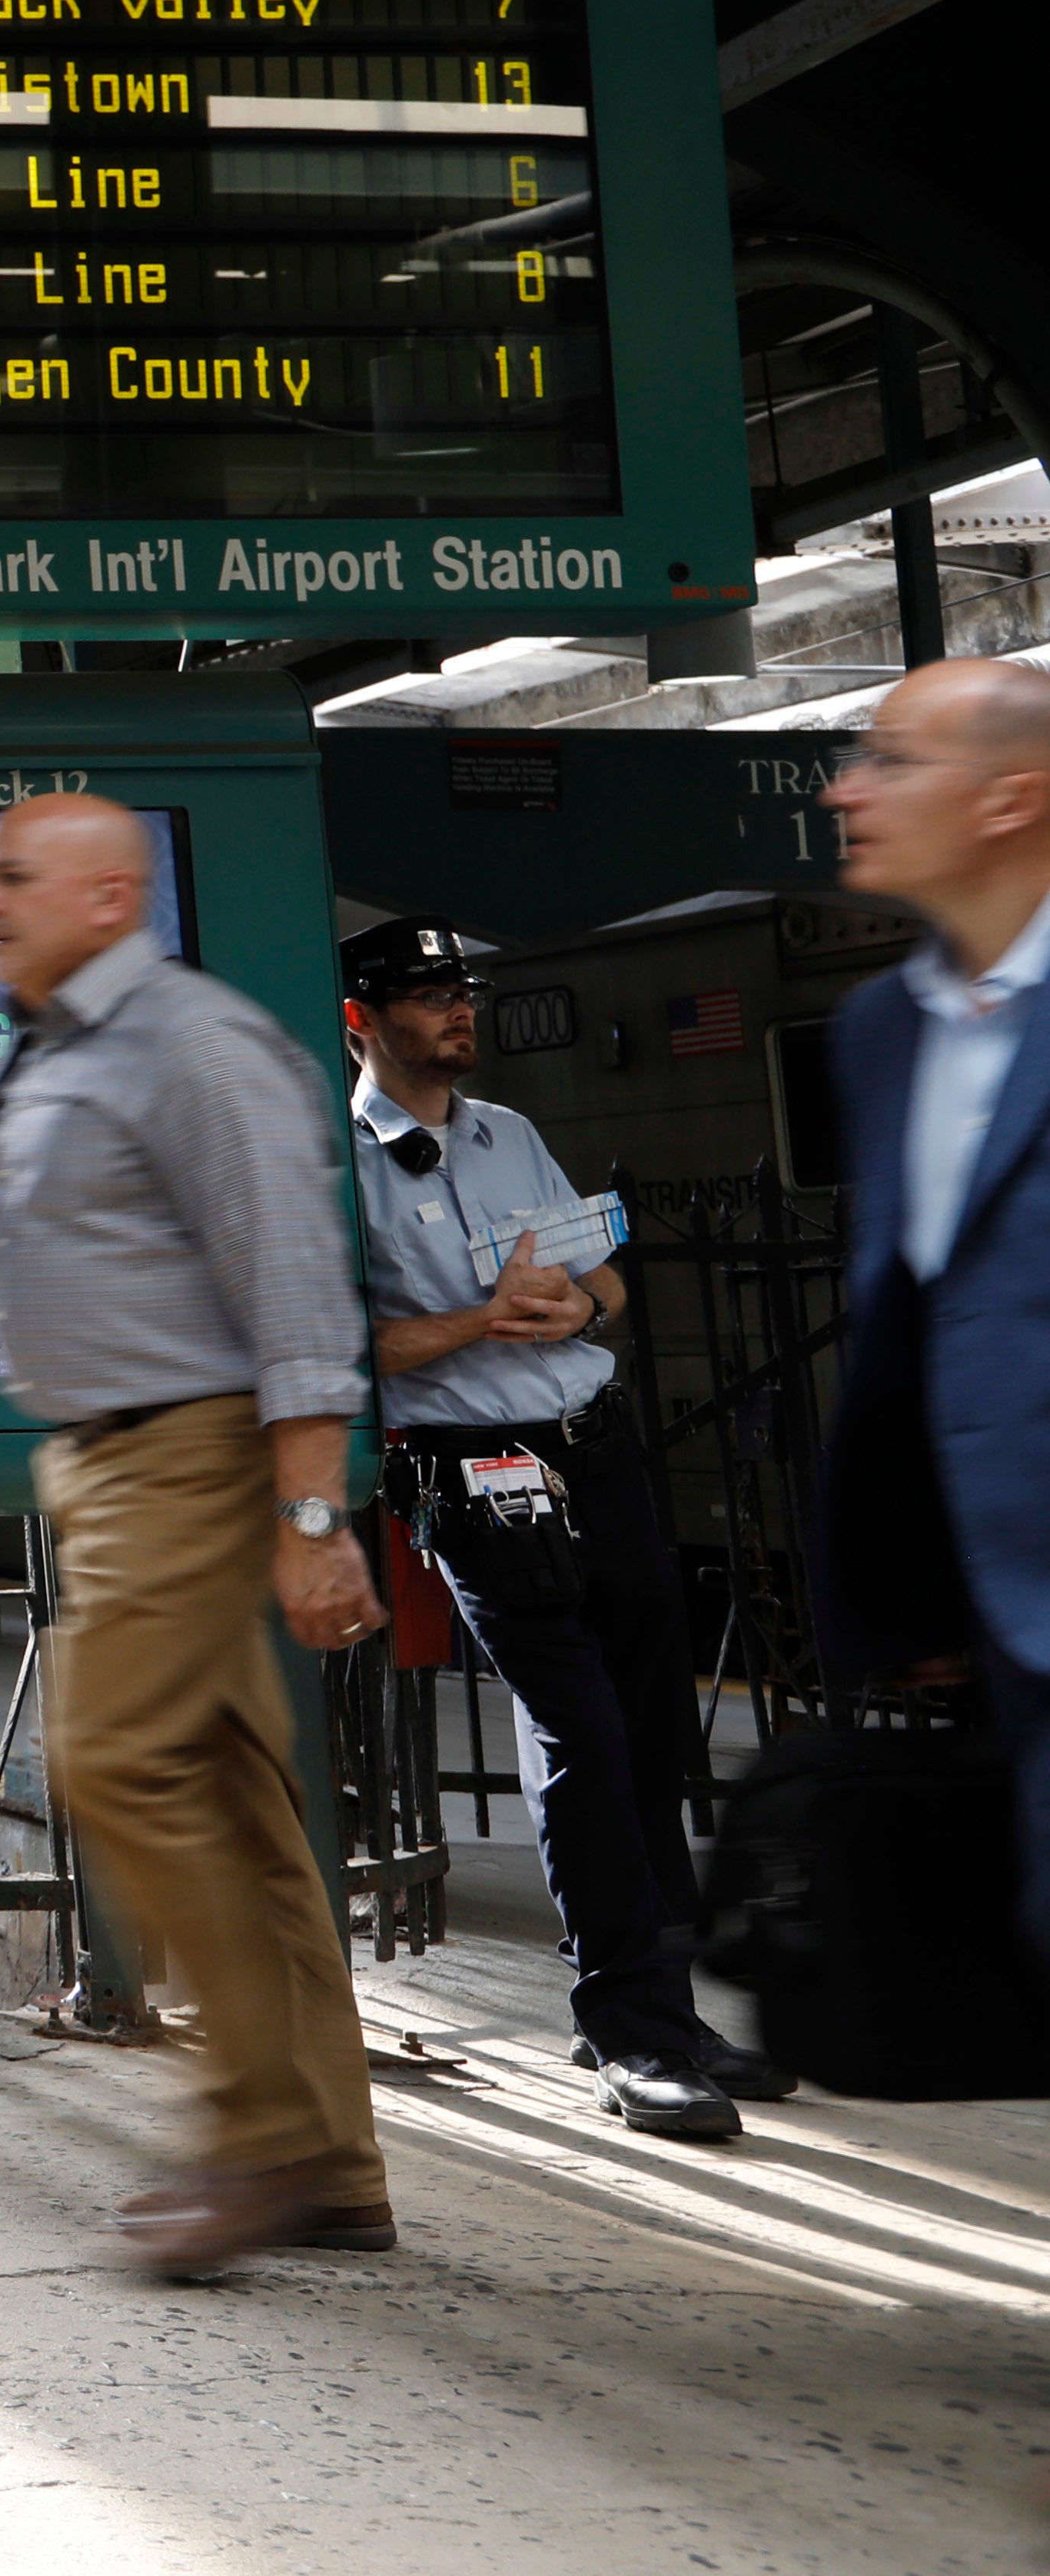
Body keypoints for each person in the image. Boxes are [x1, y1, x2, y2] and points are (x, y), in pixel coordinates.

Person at [0, 791, 389, 2276]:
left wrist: (313, 1517)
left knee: (113, 1758)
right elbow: (133, 1248)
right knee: (238, 1815)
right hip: (114, 1464)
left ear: (112, 896)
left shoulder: (191, 1042)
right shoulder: (63, 1047)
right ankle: (335, 2159)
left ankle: (261, 2138)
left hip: (184, 1460)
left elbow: (296, 1292)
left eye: (21, 879)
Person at [339, 917, 783, 2135]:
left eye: (460, 991)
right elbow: (343, 1351)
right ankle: (625, 2031)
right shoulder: (341, 1165)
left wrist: (574, 1305)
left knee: (648, 1732)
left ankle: (673, 2013)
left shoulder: (513, 1133)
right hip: (476, 1471)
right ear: (362, 1019)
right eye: (427, 995)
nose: (456, 1011)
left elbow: (611, 1278)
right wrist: (482, 1322)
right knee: (580, 1731)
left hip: (596, 1447)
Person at [818, 657, 1050, 1975]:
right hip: (1008, 1624)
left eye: (895, 760)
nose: (850, 788)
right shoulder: (877, 1032)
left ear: (1011, 799)